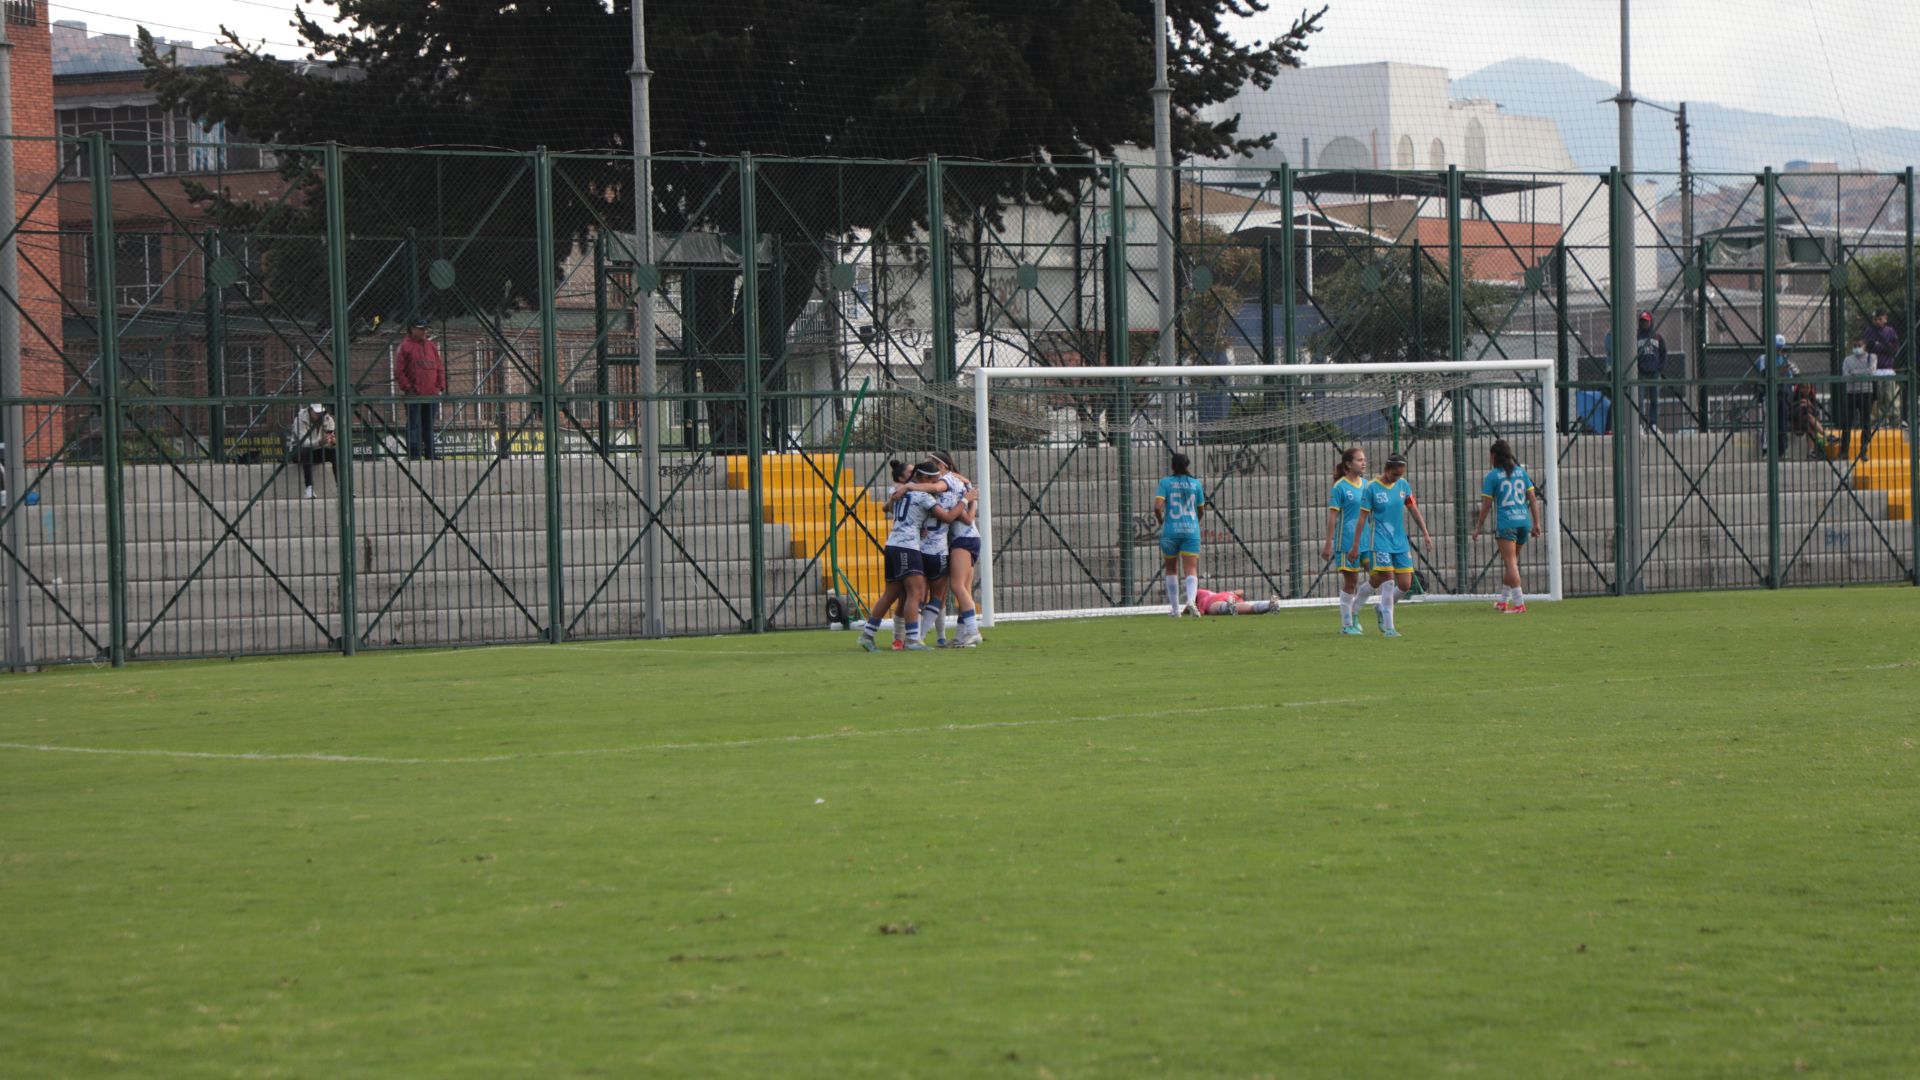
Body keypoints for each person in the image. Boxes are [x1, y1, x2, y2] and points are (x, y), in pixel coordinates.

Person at [858, 460, 964, 652]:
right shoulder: (923, 497)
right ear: (924, 478)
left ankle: (867, 635)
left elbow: (888, 508)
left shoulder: (897, 491)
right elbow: (947, 518)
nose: (934, 485)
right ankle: (913, 640)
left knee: (890, 594)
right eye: (933, 480)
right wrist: (965, 500)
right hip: (907, 547)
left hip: (892, 545)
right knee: (916, 592)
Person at [1349, 453, 1433, 638]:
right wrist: (1356, 545)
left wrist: (1425, 533)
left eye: (1400, 475)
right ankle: (1389, 627)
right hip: (1380, 541)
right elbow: (1362, 519)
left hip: (1400, 541)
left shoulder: (1404, 486)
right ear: (1387, 469)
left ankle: (1374, 608)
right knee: (1388, 580)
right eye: (1395, 474)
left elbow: (1413, 510)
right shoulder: (1371, 488)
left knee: (1404, 584)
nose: (1397, 478)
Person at [1471, 439, 1541, 614]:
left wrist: (1478, 526)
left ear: (1494, 456)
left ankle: (1519, 604)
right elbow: (1532, 499)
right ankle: (1503, 601)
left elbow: (1486, 505)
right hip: (1523, 521)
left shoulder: (1493, 476)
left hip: (1507, 523)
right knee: (1512, 563)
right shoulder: (1521, 473)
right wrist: (1537, 523)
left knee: (1510, 563)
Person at [929, 450, 982, 648]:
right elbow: (970, 495)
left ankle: (973, 632)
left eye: (933, 465)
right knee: (965, 590)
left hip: (963, 539)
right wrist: (971, 499)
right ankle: (962, 637)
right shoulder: (959, 483)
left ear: (943, 467)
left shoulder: (950, 487)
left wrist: (968, 502)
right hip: (971, 539)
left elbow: (966, 519)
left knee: (957, 586)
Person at [1320, 446, 1374, 636]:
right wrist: (1328, 543)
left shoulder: (1367, 486)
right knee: (1351, 582)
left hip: (1366, 543)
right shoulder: (1340, 487)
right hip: (1346, 544)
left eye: (1364, 459)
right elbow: (1333, 517)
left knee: (1379, 576)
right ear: (1348, 464)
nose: (1363, 463)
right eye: (1359, 460)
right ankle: (1346, 624)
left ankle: (1355, 611)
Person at [1154, 452, 1207, 618]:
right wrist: (1195, 523)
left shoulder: (1165, 483)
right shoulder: (1195, 484)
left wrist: (1162, 522)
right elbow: (1201, 509)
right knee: (1191, 569)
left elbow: (1157, 507)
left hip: (1171, 530)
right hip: (1191, 530)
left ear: (1172, 466)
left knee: (1171, 569)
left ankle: (1176, 610)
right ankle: (1191, 601)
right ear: (1187, 465)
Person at [395, 316, 446, 461]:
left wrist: (440, 386)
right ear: (412, 330)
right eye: (421, 329)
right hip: (414, 394)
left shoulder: (431, 346)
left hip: (431, 394)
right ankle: (415, 454)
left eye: (425, 329)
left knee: (428, 425)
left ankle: (430, 452)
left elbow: (439, 367)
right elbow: (399, 370)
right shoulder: (405, 346)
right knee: (414, 425)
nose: (424, 331)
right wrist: (408, 388)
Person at [1752, 334, 1797, 457]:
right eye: (1777, 347)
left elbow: (1790, 377)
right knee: (1768, 422)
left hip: (1782, 393)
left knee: (1782, 421)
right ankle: (1766, 450)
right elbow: (1763, 374)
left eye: (1781, 348)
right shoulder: (1764, 358)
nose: (1779, 350)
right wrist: (1779, 370)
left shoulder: (1784, 358)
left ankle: (1782, 450)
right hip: (1769, 394)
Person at [287, 402, 336, 500]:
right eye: (316, 413)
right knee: (307, 450)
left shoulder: (328, 419)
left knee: (335, 453)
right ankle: (309, 488)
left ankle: (342, 488)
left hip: (316, 450)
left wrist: (331, 441)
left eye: (321, 413)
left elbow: (330, 436)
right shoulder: (300, 419)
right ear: (310, 410)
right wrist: (319, 443)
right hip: (298, 452)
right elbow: (303, 443)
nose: (319, 415)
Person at [1839, 336, 1878, 460]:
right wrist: (1861, 373)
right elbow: (1845, 374)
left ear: (1865, 346)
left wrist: (1854, 373)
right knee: (1847, 423)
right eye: (1855, 346)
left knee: (1865, 423)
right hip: (1851, 392)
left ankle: (1863, 450)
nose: (1857, 348)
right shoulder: (1847, 359)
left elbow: (1871, 371)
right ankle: (1844, 451)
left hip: (1866, 392)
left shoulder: (1871, 357)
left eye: (1859, 345)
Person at [1864, 309, 1903, 429]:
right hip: (1875, 370)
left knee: (1890, 397)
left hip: (1888, 369)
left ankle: (1894, 422)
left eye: (1880, 319)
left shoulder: (1890, 331)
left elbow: (1894, 349)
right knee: (1878, 398)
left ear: (1885, 318)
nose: (1877, 321)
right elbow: (1869, 347)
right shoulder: (1869, 331)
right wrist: (1883, 346)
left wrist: (1878, 345)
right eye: (1875, 319)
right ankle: (1878, 422)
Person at [1192, 585, 1283, 616]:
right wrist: (1233, 592)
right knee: (1249, 608)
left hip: (1213, 601)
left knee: (1216, 607)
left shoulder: (1200, 597)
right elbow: (1241, 591)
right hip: (1231, 596)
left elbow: (1201, 612)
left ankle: (1228, 607)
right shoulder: (1214, 592)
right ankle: (1269, 605)